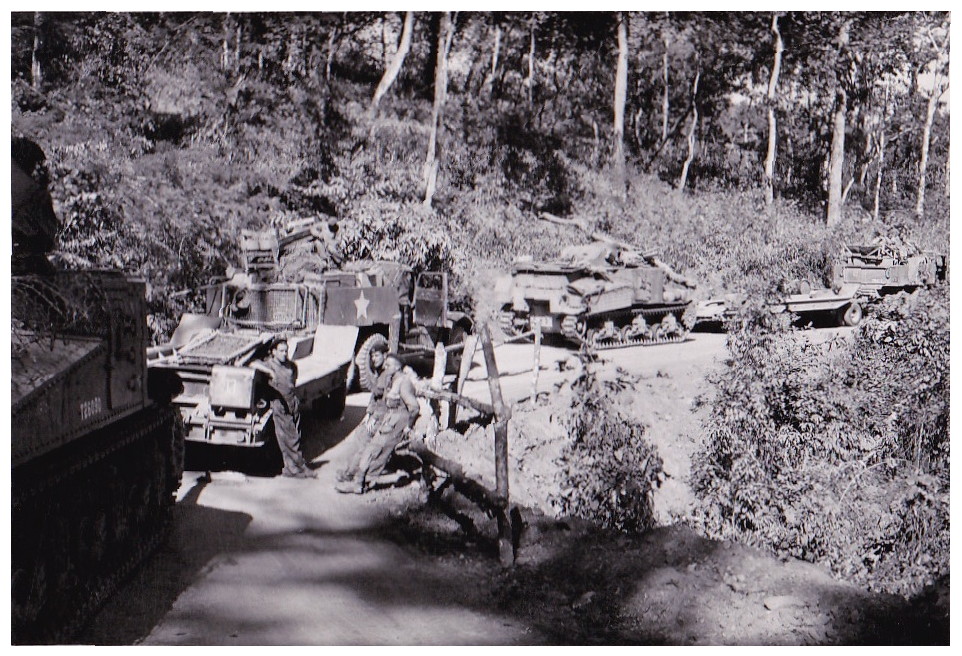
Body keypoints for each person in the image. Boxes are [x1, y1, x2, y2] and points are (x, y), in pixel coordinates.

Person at [336, 354, 419, 494]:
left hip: (397, 422)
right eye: (385, 365)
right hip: (390, 420)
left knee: (377, 452)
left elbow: (414, 407)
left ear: (398, 367)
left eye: (389, 365)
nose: (386, 368)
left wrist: (408, 427)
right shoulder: (392, 379)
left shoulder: (403, 382)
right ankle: (357, 482)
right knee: (371, 450)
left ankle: (361, 483)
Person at [250, 339, 316, 479]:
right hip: (279, 404)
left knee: (296, 434)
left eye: (286, 350)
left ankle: (295, 466)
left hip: (292, 401)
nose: (284, 354)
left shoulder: (291, 366)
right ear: (273, 352)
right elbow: (252, 363)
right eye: (281, 351)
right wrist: (269, 372)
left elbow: (293, 382)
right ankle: (295, 468)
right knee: (289, 437)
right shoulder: (269, 364)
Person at [335, 341, 391, 482]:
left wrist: (375, 417)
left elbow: (386, 401)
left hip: (385, 417)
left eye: (377, 355)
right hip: (377, 414)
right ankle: (350, 470)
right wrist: (368, 414)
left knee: (364, 440)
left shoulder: (388, 375)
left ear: (385, 356)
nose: (374, 359)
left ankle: (352, 474)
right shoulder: (381, 373)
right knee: (360, 435)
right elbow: (375, 397)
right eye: (372, 356)